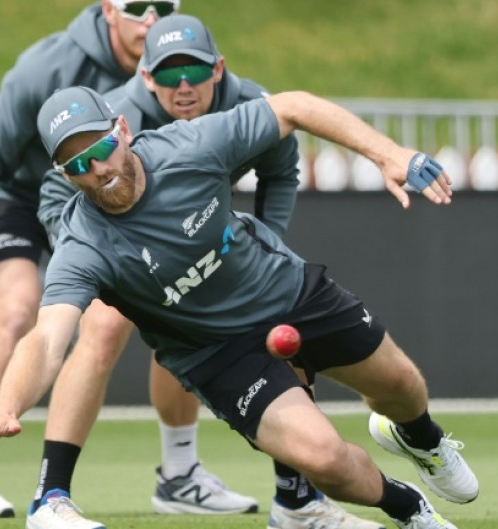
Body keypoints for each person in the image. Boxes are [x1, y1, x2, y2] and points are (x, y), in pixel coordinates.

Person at [0, 85, 479, 529]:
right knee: (326, 460)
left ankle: (420, 438)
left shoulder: (191, 146)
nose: (99, 168)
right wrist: (8, 405)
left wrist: (387, 154)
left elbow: (293, 106)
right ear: (66, 175)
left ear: (123, 130)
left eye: (103, 146)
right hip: (219, 355)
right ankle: (410, 508)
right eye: (80, 163)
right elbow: (47, 338)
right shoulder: (83, 244)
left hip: (290, 294)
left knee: (401, 386)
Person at [31, 14, 384, 529]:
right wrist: (98, 258)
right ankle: (56, 493)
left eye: (192, 72)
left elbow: (280, 171)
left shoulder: (244, 103)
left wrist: (266, 243)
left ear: (216, 70)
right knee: (103, 329)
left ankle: (271, 494)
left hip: (199, 235)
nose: (182, 85)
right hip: (97, 226)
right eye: (167, 75)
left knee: (248, 309)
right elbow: (57, 194)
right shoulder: (119, 117)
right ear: (145, 77)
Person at [0, 0, 252, 520]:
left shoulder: (172, 74)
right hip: (25, 202)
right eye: (137, 7)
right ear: (107, 10)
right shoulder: (46, 66)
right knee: (17, 312)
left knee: (178, 303)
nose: (151, 18)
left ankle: (180, 476)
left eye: (163, 7)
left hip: (110, 203)